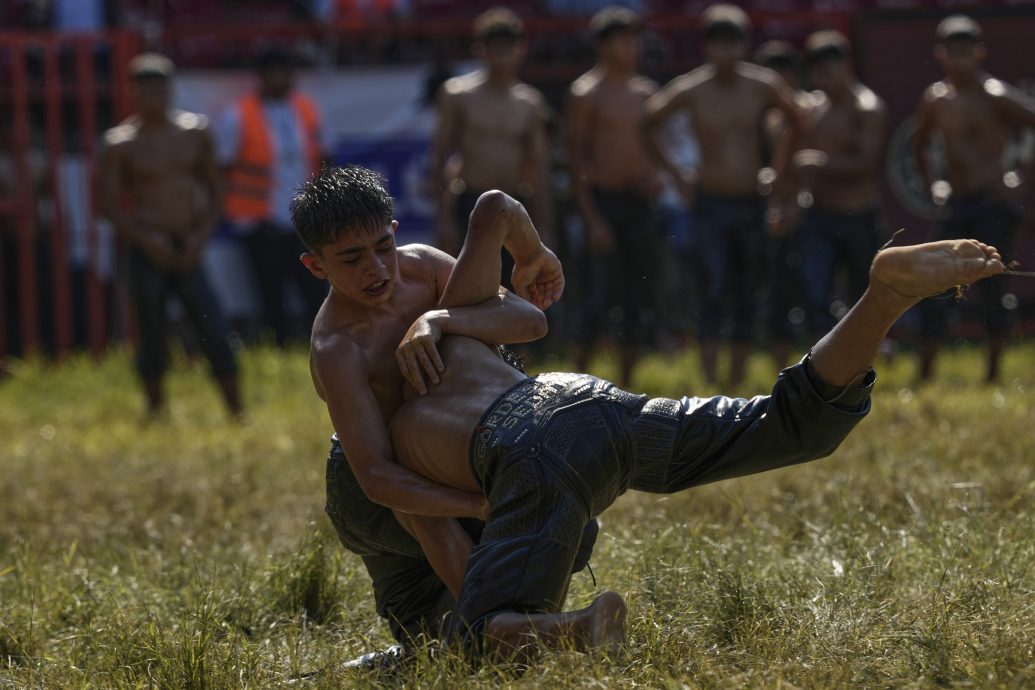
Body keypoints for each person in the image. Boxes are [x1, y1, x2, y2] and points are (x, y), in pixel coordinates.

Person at [384, 190, 1006, 659]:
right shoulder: (451, 316)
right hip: (590, 403)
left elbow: (409, 510)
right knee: (787, 426)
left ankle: (583, 626)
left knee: (473, 642)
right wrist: (532, 257)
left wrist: (485, 573)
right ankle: (884, 298)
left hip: (532, 450)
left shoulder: (387, 420)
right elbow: (493, 207)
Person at [292, 166, 601, 660]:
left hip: (460, 449)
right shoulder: (337, 347)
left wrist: (439, 318)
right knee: (429, 566)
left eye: (381, 247)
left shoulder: (421, 268)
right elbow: (376, 476)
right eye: (352, 258)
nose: (376, 269)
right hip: (380, 488)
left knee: (565, 520)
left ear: (395, 234)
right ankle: (495, 625)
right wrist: (479, 505)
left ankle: (518, 630)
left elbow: (530, 320)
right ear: (316, 266)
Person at [644, 4, 803, 387]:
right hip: (711, 200)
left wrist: (779, 171)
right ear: (706, 47)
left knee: (748, 288)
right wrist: (675, 174)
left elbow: (799, 119)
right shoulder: (693, 87)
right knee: (711, 287)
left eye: (733, 44)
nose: (727, 53)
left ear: (743, 45)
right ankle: (710, 376)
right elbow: (649, 121)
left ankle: (737, 375)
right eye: (719, 44)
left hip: (751, 198)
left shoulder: (761, 84)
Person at [100, 54, 242, 418]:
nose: (155, 97)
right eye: (147, 91)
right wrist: (145, 239)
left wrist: (201, 236)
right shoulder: (121, 142)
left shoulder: (194, 132)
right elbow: (109, 204)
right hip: (149, 246)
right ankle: (156, 408)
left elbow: (215, 188)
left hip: (189, 243)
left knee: (212, 324)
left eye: (161, 89)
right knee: (150, 331)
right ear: (133, 92)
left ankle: (235, 409)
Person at [912, 15, 1035, 383]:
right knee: (937, 288)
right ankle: (925, 375)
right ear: (940, 55)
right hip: (957, 204)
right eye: (953, 53)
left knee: (994, 289)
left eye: (966, 53)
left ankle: (993, 375)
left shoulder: (994, 94)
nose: (959, 60)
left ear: (980, 53)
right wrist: (935, 184)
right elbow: (919, 146)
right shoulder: (935, 98)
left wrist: (1021, 178)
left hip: (992, 203)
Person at [567, 6, 662, 387]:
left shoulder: (646, 92)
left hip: (639, 204)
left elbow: (655, 148)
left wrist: (656, 178)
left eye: (634, 39)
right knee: (597, 297)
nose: (632, 47)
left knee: (636, 293)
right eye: (624, 39)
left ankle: (626, 383)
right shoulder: (587, 93)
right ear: (604, 46)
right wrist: (592, 218)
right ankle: (575, 381)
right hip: (603, 202)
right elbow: (576, 160)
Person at [431, 6, 554, 283]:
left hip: (513, 203)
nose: (502, 56)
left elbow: (540, 169)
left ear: (520, 49)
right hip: (469, 201)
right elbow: (439, 157)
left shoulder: (529, 103)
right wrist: (443, 218)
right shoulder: (458, 95)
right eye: (494, 48)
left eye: (507, 48)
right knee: (467, 283)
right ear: (480, 50)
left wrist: (543, 227)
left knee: (515, 285)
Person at [215, 48, 328, 345]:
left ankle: (322, 344)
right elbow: (221, 167)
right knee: (269, 293)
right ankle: (278, 349)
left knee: (314, 289)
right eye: (276, 72)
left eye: (287, 72)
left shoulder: (305, 108)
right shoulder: (238, 114)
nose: (283, 79)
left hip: (304, 219)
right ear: (262, 77)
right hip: (259, 220)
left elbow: (323, 157)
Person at [795, 31, 888, 339]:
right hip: (819, 215)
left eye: (828, 70)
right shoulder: (813, 108)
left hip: (858, 214)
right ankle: (821, 370)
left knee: (864, 299)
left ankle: (863, 366)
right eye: (816, 72)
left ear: (846, 65)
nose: (822, 79)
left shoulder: (867, 107)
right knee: (815, 295)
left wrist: (820, 164)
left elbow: (865, 164)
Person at [753, 40, 811, 369]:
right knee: (777, 294)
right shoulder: (760, 115)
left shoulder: (805, 109)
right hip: (772, 214)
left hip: (812, 213)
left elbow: (813, 167)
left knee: (816, 293)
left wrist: (798, 205)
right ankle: (784, 368)